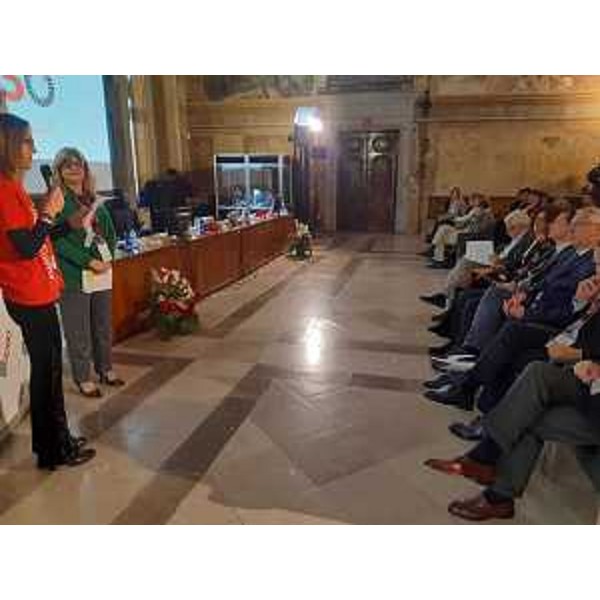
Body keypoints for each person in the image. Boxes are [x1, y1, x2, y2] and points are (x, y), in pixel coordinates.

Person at [0, 113, 95, 469]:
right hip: (28, 295)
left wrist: (64, 225)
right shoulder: (4, 191)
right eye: (26, 141)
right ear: (7, 145)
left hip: (39, 291)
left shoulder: (15, 189)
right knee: (48, 374)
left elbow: (37, 240)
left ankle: (55, 440)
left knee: (49, 372)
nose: (33, 148)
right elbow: (25, 247)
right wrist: (47, 215)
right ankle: (55, 449)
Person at [52, 147, 124, 398]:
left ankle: (105, 368)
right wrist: (88, 261)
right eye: (68, 165)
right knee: (78, 330)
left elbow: (110, 232)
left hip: (101, 273)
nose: (74, 168)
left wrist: (107, 259)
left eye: (78, 163)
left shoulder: (94, 200)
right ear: (59, 171)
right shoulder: (57, 201)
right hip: (74, 276)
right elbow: (57, 242)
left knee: (102, 325)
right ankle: (83, 377)